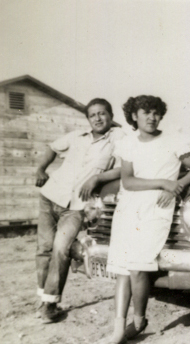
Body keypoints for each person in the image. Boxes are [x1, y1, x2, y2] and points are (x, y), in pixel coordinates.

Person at [105, 95, 190, 344]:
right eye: (145, 112)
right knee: (123, 270)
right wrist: (163, 182)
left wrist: (177, 187)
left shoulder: (174, 141)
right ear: (134, 116)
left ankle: (138, 321)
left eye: (156, 113)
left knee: (138, 268)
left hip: (157, 210)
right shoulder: (127, 144)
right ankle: (118, 328)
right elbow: (128, 181)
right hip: (129, 208)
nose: (151, 117)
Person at [35, 98, 125, 323]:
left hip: (76, 207)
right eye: (93, 114)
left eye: (102, 113)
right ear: (88, 119)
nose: (98, 118)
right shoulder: (76, 136)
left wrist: (97, 177)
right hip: (50, 196)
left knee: (60, 249)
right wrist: (40, 169)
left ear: (111, 116)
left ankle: (50, 304)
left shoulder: (119, 139)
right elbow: (52, 148)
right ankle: (44, 298)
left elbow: (125, 167)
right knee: (44, 248)